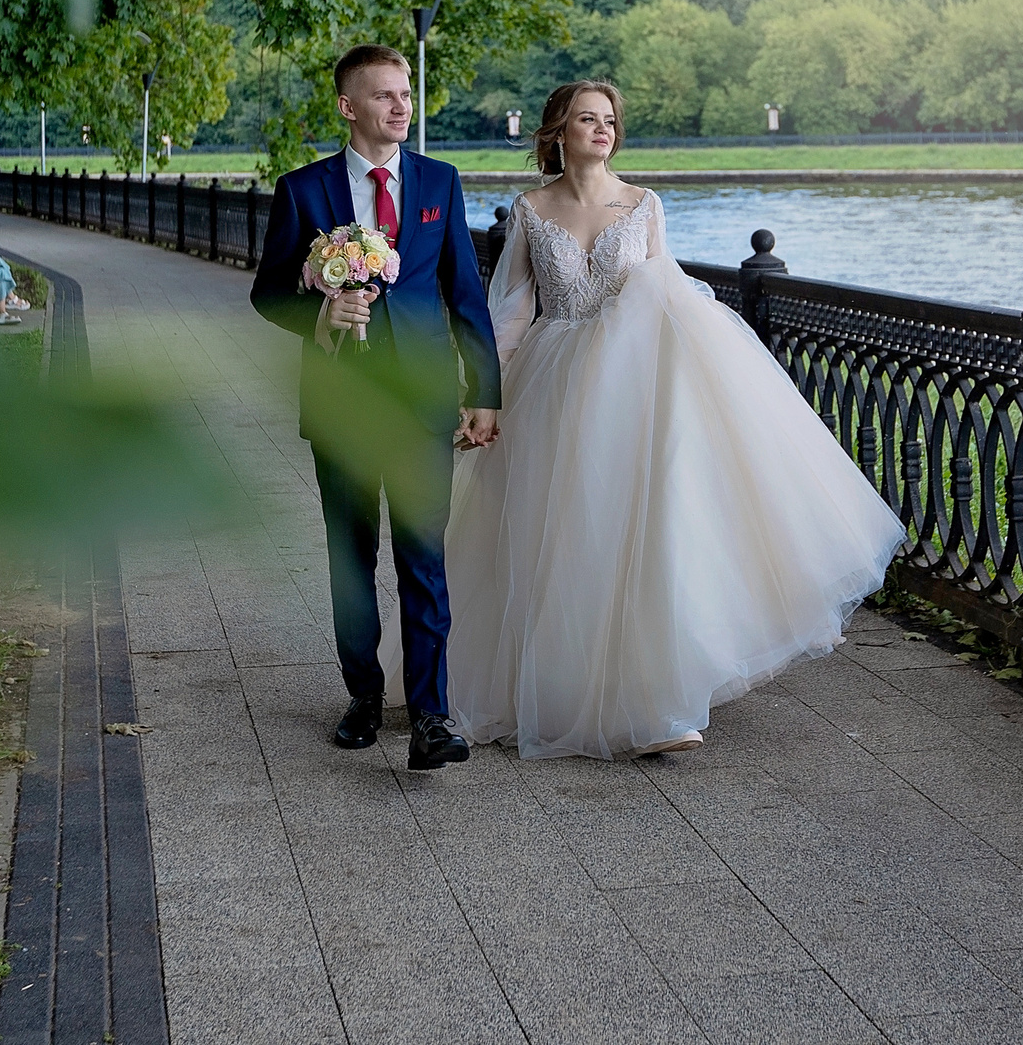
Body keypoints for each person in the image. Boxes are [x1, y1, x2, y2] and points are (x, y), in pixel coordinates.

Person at [446, 81, 905, 761]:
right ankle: (562, 687)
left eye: (609, 120)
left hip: (634, 384)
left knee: (648, 529)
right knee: (565, 534)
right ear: (558, 132)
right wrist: (483, 394)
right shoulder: (531, 209)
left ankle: (658, 702)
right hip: (553, 377)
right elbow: (512, 312)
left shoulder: (644, 204)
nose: (601, 130)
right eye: (586, 119)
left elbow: (669, 295)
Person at [249, 45, 501, 772]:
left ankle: (430, 716)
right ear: (347, 106)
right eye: (384, 95)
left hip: (423, 403)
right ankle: (363, 696)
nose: (400, 106)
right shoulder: (303, 191)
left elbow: (464, 294)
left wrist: (484, 391)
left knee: (424, 559)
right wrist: (322, 317)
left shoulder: (439, 183)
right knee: (351, 559)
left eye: (405, 93)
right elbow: (269, 293)